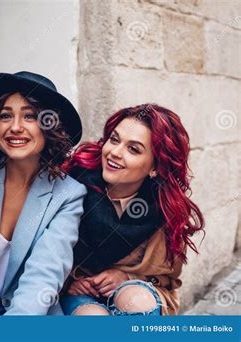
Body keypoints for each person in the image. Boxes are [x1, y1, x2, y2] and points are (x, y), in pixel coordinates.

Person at [0, 71, 86, 315]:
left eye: (29, 116)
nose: (15, 127)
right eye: (6, 116)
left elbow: (44, 274)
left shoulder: (68, 194)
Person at [60, 104, 205, 316]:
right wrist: (69, 283)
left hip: (136, 291)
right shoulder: (74, 185)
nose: (115, 153)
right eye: (115, 139)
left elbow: (168, 278)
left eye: (133, 149)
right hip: (77, 294)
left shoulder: (164, 208)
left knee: (137, 303)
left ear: (155, 167)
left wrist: (126, 277)